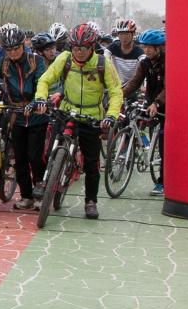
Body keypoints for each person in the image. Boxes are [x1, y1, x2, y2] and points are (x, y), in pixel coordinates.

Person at [33, 22, 122, 219]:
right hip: (67, 110)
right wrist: (40, 97)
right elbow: (45, 80)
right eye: (75, 48)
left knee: (91, 163)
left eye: (83, 48)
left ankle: (91, 201)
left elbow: (116, 92)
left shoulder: (102, 64)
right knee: (50, 149)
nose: (79, 52)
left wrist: (111, 115)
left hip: (92, 117)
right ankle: (44, 181)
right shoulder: (64, 59)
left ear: (92, 47)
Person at [0, 26, 48, 210]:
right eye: (9, 49)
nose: (13, 53)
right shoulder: (3, 63)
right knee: (19, 157)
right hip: (15, 114)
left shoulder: (36, 61)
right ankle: (26, 196)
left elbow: (43, 84)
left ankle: (40, 192)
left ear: (23, 45)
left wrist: (36, 102)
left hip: (36, 114)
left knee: (34, 156)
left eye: (16, 48)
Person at [123, 28, 166, 195]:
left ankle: (162, 183)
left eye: (150, 47)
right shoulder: (145, 63)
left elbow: (169, 87)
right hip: (150, 102)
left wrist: (157, 102)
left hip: (165, 105)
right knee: (134, 117)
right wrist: (119, 94)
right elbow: (134, 83)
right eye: (144, 46)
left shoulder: (168, 62)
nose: (146, 50)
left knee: (164, 147)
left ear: (159, 48)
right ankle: (143, 146)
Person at [108, 18, 143, 86]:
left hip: (133, 86)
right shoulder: (112, 47)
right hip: (115, 85)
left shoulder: (139, 52)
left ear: (133, 34)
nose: (124, 37)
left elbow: (145, 66)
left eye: (127, 34)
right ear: (118, 35)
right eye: (121, 34)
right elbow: (104, 58)